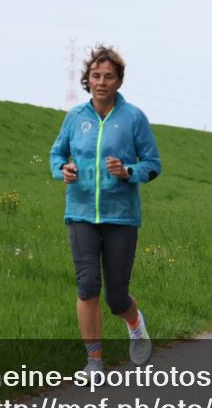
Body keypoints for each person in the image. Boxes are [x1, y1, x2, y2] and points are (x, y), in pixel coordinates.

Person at [50, 45, 162, 373]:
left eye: (108, 76)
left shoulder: (133, 118)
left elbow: (153, 165)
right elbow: (57, 155)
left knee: (116, 298)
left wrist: (128, 171)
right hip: (81, 212)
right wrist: (63, 170)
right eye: (95, 76)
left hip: (121, 216)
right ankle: (94, 360)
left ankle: (135, 325)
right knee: (86, 286)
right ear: (87, 79)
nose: (101, 82)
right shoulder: (75, 118)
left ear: (118, 82)